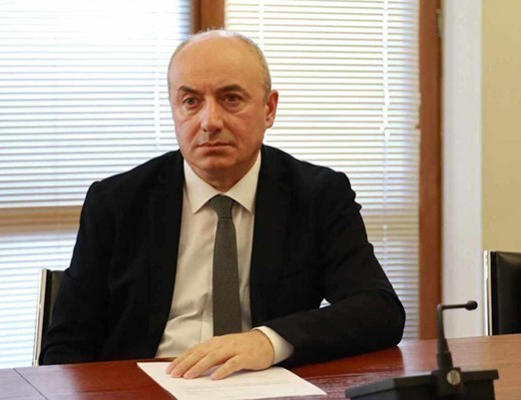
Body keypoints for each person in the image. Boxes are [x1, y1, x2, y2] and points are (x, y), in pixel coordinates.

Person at [40, 30, 405, 380]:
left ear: (269, 109)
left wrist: (268, 341)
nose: (209, 122)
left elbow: (379, 309)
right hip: (143, 385)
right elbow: (65, 346)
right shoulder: (117, 202)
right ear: (174, 110)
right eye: (190, 101)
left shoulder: (317, 194)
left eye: (231, 99)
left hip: (268, 385)